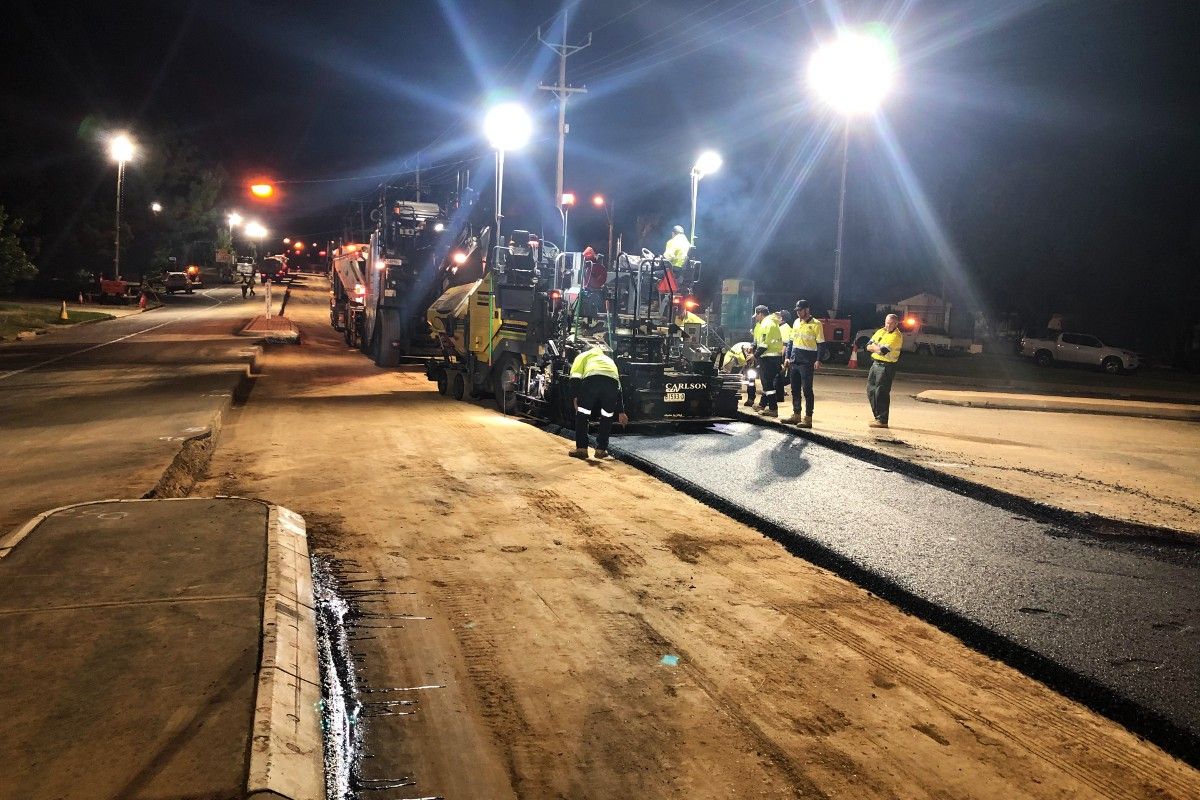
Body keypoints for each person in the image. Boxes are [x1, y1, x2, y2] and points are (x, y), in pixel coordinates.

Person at [568, 344, 629, 459]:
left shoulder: (582, 356)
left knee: (583, 414)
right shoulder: (609, 360)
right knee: (607, 416)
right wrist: (621, 411)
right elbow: (619, 388)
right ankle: (601, 450)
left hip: (592, 381)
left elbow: (575, 377)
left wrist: (576, 397)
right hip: (611, 385)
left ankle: (582, 449)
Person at [783, 299, 823, 427]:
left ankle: (808, 417)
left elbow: (821, 344)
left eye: (800, 310)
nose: (798, 313)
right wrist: (787, 357)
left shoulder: (817, 324)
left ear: (807, 310)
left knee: (807, 390)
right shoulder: (795, 322)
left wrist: (818, 360)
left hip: (807, 362)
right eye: (797, 311)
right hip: (794, 360)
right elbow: (791, 342)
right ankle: (796, 414)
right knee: (795, 389)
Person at [865, 313, 904, 428]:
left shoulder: (896, 336)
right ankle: (878, 417)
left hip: (887, 366)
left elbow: (883, 351)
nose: (888, 325)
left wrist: (875, 347)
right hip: (876, 364)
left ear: (896, 324)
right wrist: (875, 348)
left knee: (881, 392)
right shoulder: (881, 331)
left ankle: (883, 420)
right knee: (870, 390)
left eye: (892, 323)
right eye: (887, 322)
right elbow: (867, 346)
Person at [751, 305, 784, 417]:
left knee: (767, 384)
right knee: (767, 383)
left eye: (757, 315)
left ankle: (773, 409)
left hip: (768, 357)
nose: (756, 318)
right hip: (772, 357)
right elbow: (760, 341)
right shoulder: (770, 323)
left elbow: (764, 344)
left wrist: (754, 356)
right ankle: (762, 405)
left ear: (761, 313)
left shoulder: (767, 324)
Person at [721, 342, 756, 407]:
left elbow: (751, 363)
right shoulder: (739, 353)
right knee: (732, 379)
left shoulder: (753, 351)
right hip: (732, 360)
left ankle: (751, 399)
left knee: (751, 380)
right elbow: (746, 361)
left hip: (743, 361)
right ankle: (730, 397)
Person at [774, 310, 793, 405]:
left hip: (781, 355)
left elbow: (785, 345)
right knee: (779, 377)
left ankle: (779, 396)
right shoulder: (781, 327)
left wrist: (781, 359)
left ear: (782, 318)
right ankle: (780, 394)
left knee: (779, 376)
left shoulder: (785, 328)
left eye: (778, 316)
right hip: (780, 355)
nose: (776, 318)